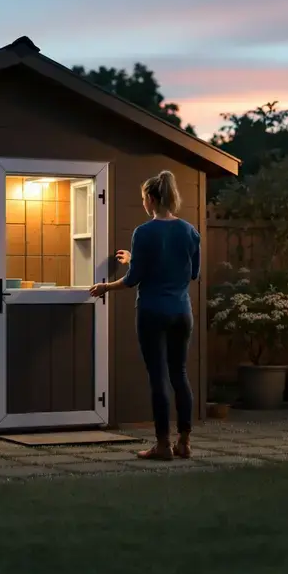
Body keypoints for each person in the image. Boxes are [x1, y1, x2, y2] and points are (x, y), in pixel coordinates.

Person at [89, 170, 200, 460]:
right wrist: (135, 259)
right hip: (181, 312)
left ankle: (162, 445)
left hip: (152, 312)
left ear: (151, 199)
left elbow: (131, 280)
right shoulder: (190, 231)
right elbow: (193, 273)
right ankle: (184, 442)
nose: (143, 203)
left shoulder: (144, 232)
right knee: (180, 374)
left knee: (158, 378)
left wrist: (104, 287)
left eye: (143, 199)